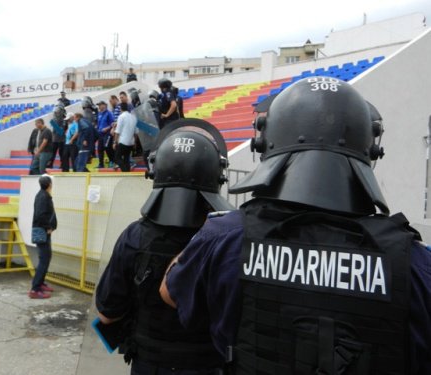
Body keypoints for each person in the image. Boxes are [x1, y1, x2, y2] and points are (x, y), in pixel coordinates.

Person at [160, 77, 431, 375]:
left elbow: (171, 292)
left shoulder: (224, 237)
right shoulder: (415, 263)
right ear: (370, 149)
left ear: (265, 142)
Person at [96, 118, 234, 374]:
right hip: (209, 365)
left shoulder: (134, 236)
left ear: (155, 170)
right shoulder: (230, 241)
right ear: (218, 174)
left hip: (150, 364)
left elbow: (107, 314)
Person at [29, 174, 57, 299]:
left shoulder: (43, 195)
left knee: (45, 258)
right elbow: (41, 216)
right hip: (42, 231)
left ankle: (40, 283)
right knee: (44, 260)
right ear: (49, 185)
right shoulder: (43, 197)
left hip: (42, 230)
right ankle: (35, 289)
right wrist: (48, 228)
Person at [113, 102, 138, 172]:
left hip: (123, 141)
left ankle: (124, 171)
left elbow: (117, 131)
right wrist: (135, 142)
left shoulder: (121, 116)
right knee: (126, 158)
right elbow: (136, 132)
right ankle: (128, 173)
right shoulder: (133, 117)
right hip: (131, 142)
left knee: (117, 157)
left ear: (120, 109)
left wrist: (115, 142)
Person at [96, 101, 115, 168]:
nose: (99, 106)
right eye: (98, 105)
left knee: (107, 147)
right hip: (100, 134)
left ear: (104, 105)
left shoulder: (109, 113)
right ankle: (101, 164)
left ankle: (112, 161)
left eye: (100, 105)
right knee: (100, 149)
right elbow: (98, 124)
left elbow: (113, 123)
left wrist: (107, 128)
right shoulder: (99, 114)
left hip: (107, 134)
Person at [47, 105, 66, 169]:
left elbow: (60, 131)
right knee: (52, 153)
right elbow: (54, 130)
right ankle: (50, 164)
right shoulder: (54, 120)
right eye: (55, 112)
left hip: (61, 140)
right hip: (54, 139)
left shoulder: (64, 120)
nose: (55, 114)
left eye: (57, 112)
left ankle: (63, 164)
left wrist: (54, 124)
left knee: (62, 154)